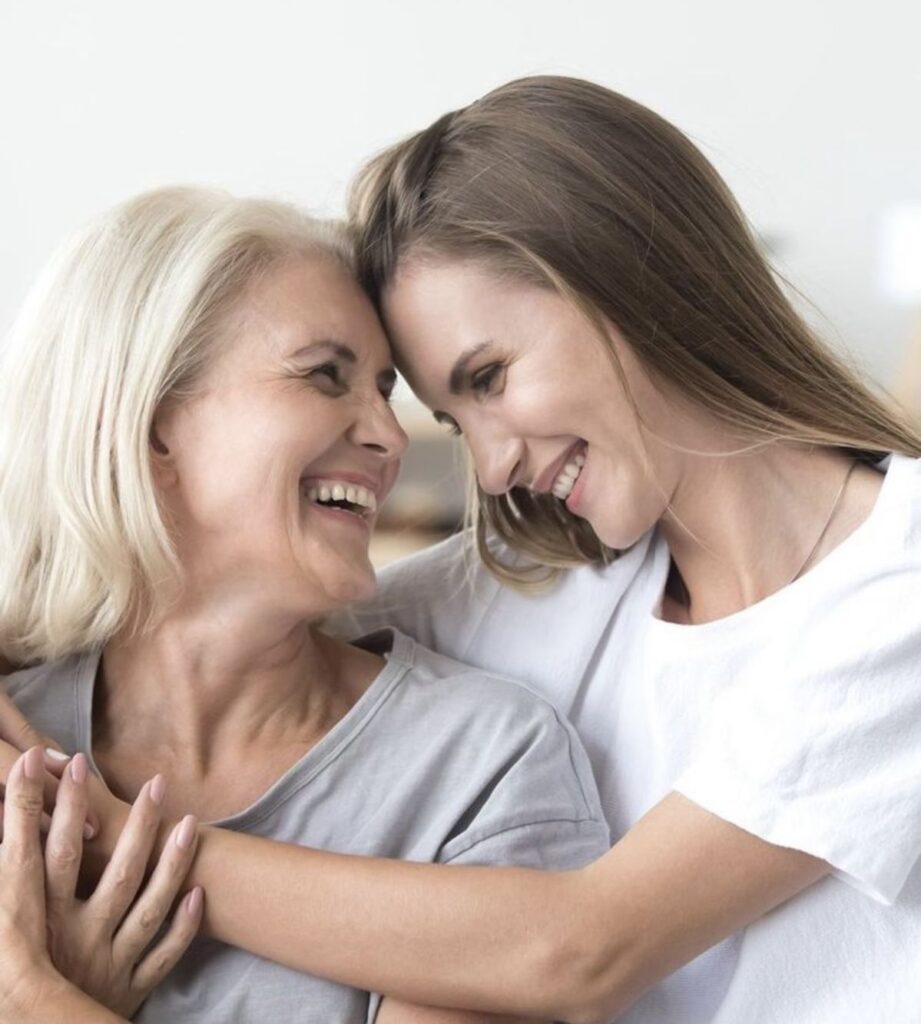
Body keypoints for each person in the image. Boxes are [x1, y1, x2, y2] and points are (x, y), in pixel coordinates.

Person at [3, 74, 921, 1023]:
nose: (483, 468)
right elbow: (216, 621)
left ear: (629, 282)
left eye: (490, 376)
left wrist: (97, 873)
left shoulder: (900, 584)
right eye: (447, 410)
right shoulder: (557, 582)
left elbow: (582, 949)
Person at [0, 185, 609, 1022]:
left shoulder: (476, 768)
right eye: (326, 376)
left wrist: (37, 1001)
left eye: (388, 392)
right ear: (151, 428)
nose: (390, 438)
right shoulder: (14, 749)